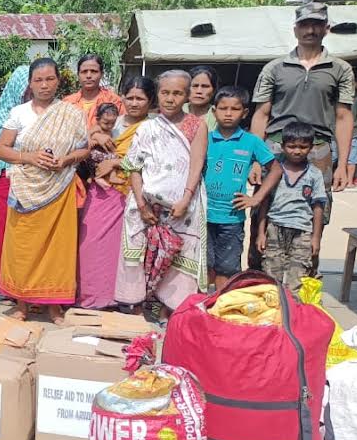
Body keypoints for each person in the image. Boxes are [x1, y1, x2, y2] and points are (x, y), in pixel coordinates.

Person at [0, 58, 89, 324]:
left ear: (58, 81)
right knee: (23, 247)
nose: (44, 85)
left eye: (49, 79)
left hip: (59, 189)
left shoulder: (70, 113)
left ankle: (54, 307)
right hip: (26, 189)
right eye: (38, 80)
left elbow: (84, 148)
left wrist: (67, 160)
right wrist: (30, 157)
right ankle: (22, 304)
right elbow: (1, 149)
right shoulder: (19, 113)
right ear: (30, 83)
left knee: (58, 251)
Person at [115, 70, 208, 321]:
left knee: (178, 254)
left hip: (182, 206)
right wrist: (142, 204)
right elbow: (134, 166)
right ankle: (135, 307)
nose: (170, 98)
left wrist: (186, 199)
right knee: (139, 252)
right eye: (165, 92)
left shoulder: (196, 126)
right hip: (145, 204)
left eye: (177, 93)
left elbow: (196, 164)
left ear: (187, 96)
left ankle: (171, 309)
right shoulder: (146, 127)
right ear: (157, 94)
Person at [250, 2, 354, 202]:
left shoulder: (340, 69)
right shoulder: (274, 68)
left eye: (316, 24)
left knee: (315, 212)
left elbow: (343, 117)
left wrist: (342, 164)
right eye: (304, 24)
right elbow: (261, 114)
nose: (310, 30)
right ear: (295, 30)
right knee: (265, 210)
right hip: (276, 147)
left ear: (326, 29)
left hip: (318, 148)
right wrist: (255, 160)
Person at [76, 79, 155, 310]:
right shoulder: (112, 122)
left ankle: (116, 298)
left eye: (140, 98)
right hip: (100, 193)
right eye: (129, 97)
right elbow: (82, 145)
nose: (134, 103)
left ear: (150, 101)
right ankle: (90, 296)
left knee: (120, 249)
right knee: (90, 243)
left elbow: (155, 160)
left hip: (131, 193)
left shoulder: (153, 127)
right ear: (121, 98)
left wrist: (116, 162)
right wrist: (94, 137)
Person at [203, 86, 281, 292]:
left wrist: (255, 199)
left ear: (244, 113)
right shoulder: (205, 139)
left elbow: (275, 170)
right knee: (204, 265)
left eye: (235, 109)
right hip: (203, 215)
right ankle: (202, 306)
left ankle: (220, 304)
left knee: (226, 268)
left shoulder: (251, 141)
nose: (228, 113)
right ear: (214, 111)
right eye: (223, 108)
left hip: (232, 219)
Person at [256, 122, 327, 291]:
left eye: (303, 147)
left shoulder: (314, 174)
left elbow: (318, 207)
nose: (297, 151)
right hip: (275, 228)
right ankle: (277, 314)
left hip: (302, 231)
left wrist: (316, 237)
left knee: (298, 277)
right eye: (291, 146)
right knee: (271, 278)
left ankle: (294, 314)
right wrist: (261, 233)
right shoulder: (275, 172)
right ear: (282, 146)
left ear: (311, 148)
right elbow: (264, 202)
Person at [0, 65, 30, 293]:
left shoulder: (48, 112)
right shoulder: (5, 112)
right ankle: (5, 287)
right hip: (7, 178)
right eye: (25, 90)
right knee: (4, 233)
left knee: (29, 236)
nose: (30, 94)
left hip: (38, 180)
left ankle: (29, 287)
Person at [64, 53, 125, 134]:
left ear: (101, 74)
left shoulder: (114, 101)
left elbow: (123, 130)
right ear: (78, 75)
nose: (88, 76)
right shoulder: (67, 103)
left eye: (94, 71)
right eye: (84, 72)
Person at [186, 65, 219, 132]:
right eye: (195, 86)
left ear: (214, 90)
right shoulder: (176, 110)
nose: (199, 91)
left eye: (205, 86)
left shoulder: (220, 114)